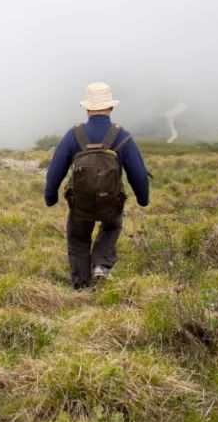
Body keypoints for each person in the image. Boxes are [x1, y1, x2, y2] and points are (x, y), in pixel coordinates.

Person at [44, 82, 150, 289]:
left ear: (87, 108)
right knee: (112, 226)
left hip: (80, 202)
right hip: (111, 201)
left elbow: (55, 169)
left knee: (78, 239)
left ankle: (82, 286)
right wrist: (143, 199)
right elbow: (138, 174)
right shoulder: (122, 136)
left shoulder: (74, 135)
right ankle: (101, 264)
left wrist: (50, 197)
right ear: (110, 107)